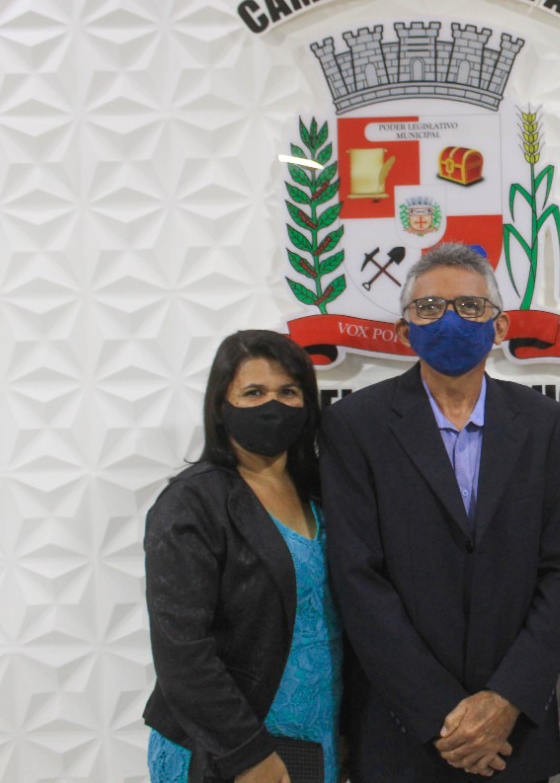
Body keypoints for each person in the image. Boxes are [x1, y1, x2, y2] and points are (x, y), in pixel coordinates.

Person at [320, 242, 560, 781]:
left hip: (513, 735)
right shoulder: (356, 425)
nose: (450, 319)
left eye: (470, 306)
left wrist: (506, 700)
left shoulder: (542, 423)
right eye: (429, 307)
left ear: (500, 326)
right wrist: (444, 715)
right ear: (403, 330)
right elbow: (357, 579)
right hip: (404, 734)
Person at [143, 330, 342, 783]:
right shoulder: (191, 504)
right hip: (227, 750)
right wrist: (247, 755)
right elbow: (182, 652)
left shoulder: (321, 492)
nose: (273, 405)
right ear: (221, 405)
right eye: (253, 392)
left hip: (316, 736)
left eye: (288, 392)